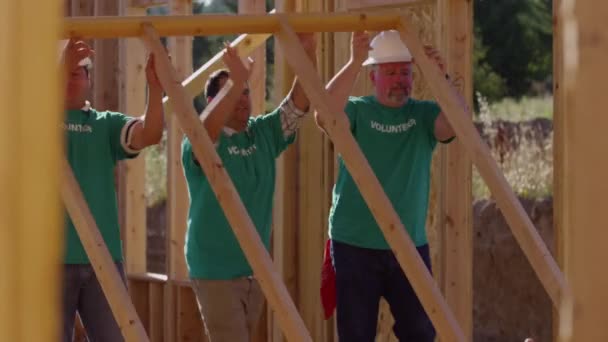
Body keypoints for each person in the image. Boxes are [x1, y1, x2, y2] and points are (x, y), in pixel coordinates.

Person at [319, 30, 467, 341]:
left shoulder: (423, 115)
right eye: (390, 72)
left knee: (420, 334)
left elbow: (457, 124)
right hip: (355, 243)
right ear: (373, 77)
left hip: (408, 245)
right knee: (356, 335)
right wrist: (353, 61)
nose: (400, 79)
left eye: (405, 72)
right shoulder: (359, 110)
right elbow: (324, 114)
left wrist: (442, 78)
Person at [181, 35, 317, 342]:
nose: (243, 98)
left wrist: (308, 55)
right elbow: (204, 133)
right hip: (214, 270)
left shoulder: (262, 133)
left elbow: (298, 106)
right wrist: (237, 79)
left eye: (245, 91)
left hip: (254, 270)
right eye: (232, 92)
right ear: (213, 102)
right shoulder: (200, 141)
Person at [60, 38, 165, 342]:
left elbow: (151, 133)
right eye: (64, 71)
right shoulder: (35, 118)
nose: (69, 77)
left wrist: (156, 89)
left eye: (77, 72)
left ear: (90, 81)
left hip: (102, 259)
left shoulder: (104, 124)